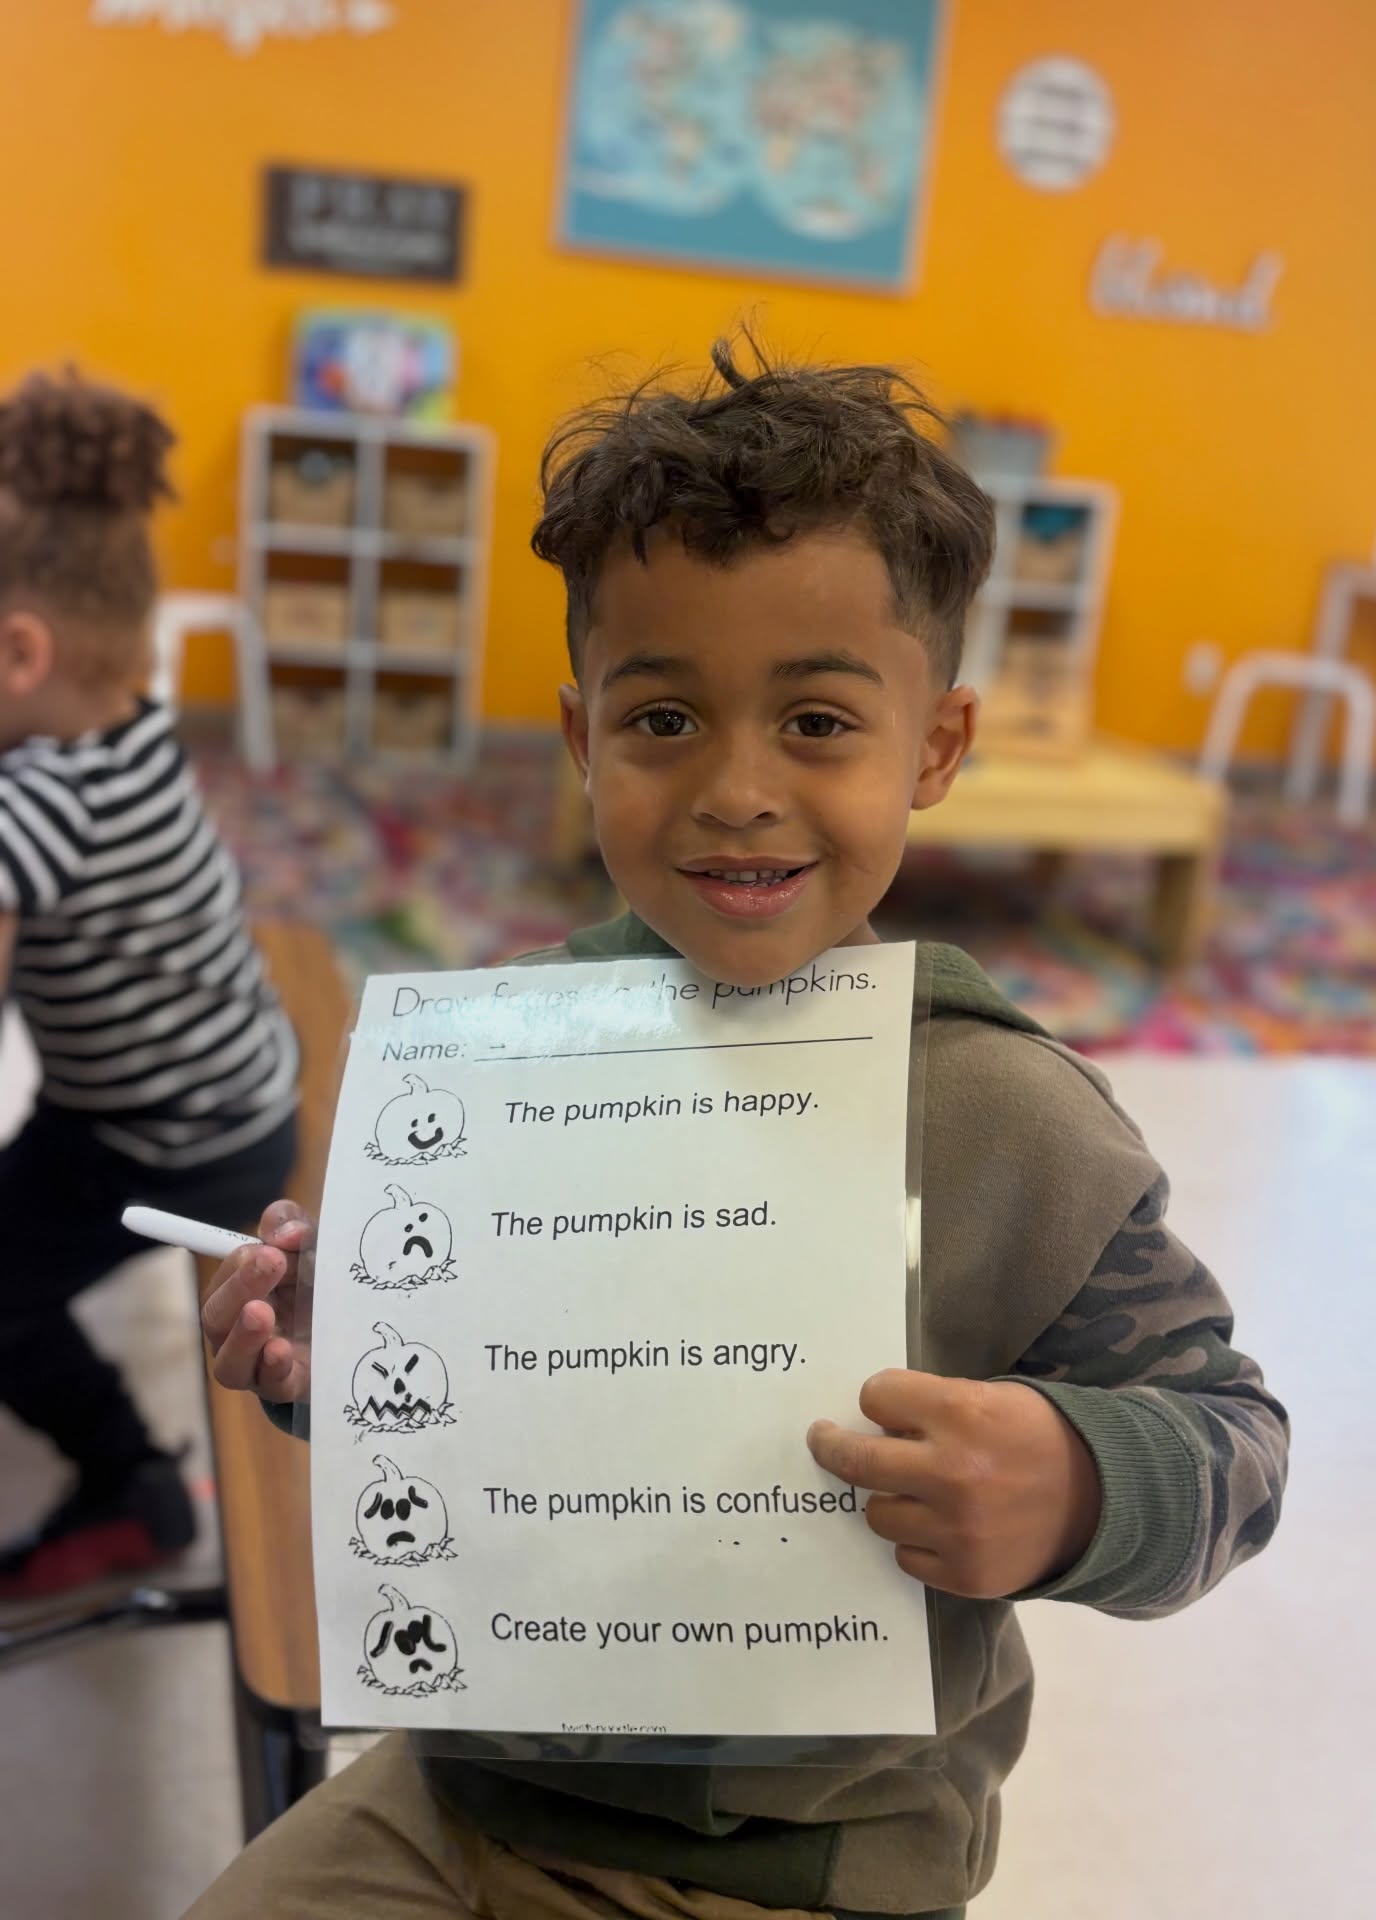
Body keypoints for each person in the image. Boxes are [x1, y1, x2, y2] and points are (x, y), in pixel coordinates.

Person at [189, 338, 1288, 1920]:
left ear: (938, 746)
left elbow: (1237, 1445)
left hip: (810, 1868)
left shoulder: (1009, 1118)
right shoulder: (504, 1063)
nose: (736, 791)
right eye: (663, 723)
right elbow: (475, 1421)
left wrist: (1080, 1483)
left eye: (821, 723)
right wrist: (341, 1362)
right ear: (580, 739)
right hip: (466, 1792)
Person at [0, 370, 298, 1599]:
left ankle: (134, 1483)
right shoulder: (123, 725)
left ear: (20, 653)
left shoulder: (37, 804)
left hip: (174, 1140)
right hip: (221, 1077)